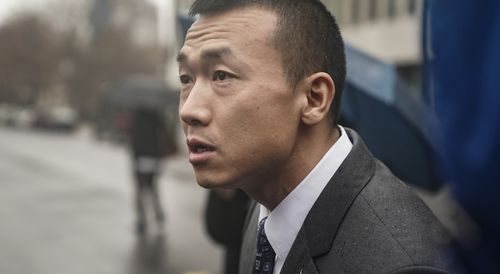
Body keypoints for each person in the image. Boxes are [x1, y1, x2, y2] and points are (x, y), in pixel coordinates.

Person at [177, 0, 453, 273]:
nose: (189, 110)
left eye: (222, 76)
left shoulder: (401, 264)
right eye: (186, 79)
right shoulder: (264, 199)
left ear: (314, 98)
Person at [129, 108, 168, 234]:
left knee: (140, 190)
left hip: (140, 157)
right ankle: (158, 214)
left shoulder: (136, 114)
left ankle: (142, 220)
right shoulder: (156, 114)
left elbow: (132, 138)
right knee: (153, 188)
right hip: (153, 157)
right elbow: (163, 132)